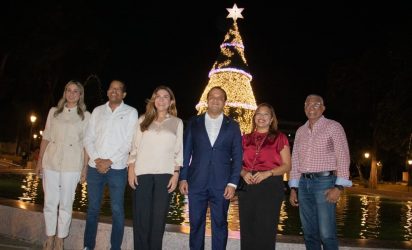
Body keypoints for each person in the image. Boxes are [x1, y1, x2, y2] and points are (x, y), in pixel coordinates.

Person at [179, 86, 242, 250]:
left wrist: (233, 183)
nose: (215, 99)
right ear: (207, 100)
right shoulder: (194, 122)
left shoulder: (233, 126)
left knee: (220, 223)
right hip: (196, 182)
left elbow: (237, 157)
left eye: (219, 97)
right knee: (196, 223)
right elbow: (186, 152)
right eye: (212, 96)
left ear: (224, 102)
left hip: (222, 184)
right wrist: (183, 177)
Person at [289, 94, 351, 250]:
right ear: (304, 108)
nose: (311, 108)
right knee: (309, 233)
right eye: (308, 105)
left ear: (323, 108)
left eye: (316, 105)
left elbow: (343, 156)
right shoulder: (300, 131)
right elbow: (295, 160)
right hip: (303, 184)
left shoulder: (333, 127)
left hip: (324, 183)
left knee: (326, 233)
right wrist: (294, 188)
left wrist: (339, 187)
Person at [35, 80, 90, 250]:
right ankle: (50, 236)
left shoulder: (86, 116)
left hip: (72, 164)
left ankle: (60, 238)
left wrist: (85, 168)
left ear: (80, 95)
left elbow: (87, 144)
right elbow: (46, 137)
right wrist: (39, 162)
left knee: (66, 203)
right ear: (64, 92)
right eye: (68, 90)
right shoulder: (54, 112)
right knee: (50, 202)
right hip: (51, 161)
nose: (71, 94)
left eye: (75, 91)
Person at [83, 80, 138, 250]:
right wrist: (97, 160)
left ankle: (115, 247)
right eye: (111, 88)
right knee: (92, 209)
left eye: (118, 89)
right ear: (107, 92)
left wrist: (109, 160)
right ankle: (88, 246)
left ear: (124, 94)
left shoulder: (131, 112)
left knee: (117, 210)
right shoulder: (97, 111)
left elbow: (129, 141)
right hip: (94, 167)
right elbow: (88, 138)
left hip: (118, 168)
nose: (114, 91)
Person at [127, 86, 183, 250]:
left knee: (158, 221)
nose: (161, 99)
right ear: (153, 100)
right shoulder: (143, 119)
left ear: (171, 101)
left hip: (165, 176)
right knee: (141, 220)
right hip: (142, 174)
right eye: (158, 96)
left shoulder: (177, 122)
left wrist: (176, 173)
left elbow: (178, 151)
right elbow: (134, 148)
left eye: (166, 97)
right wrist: (131, 169)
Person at [238, 103, 291, 250]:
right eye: (258, 114)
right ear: (254, 117)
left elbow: (287, 165)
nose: (261, 117)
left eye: (266, 114)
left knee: (266, 230)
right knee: (247, 229)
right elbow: (235, 163)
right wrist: (243, 173)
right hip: (247, 184)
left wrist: (268, 173)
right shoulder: (244, 139)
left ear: (271, 118)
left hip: (270, 185)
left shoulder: (280, 138)